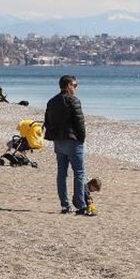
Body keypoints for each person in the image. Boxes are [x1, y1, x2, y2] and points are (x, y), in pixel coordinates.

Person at [43, 75, 92, 216]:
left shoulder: (52, 101)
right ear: (69, 85)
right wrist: (81, 138)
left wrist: (54, 135)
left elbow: (47, 121)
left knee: (62, 174)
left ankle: (65, 205)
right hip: (72, 140)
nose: (75, 88)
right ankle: (81, 205)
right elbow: (79, 121)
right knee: (79, 173)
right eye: (75, 85)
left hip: (59, 141)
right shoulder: (73, 100)